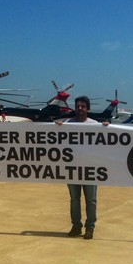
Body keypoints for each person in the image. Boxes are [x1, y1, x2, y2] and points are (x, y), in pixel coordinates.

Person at [55, 96, 107, 240]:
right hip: (72, 169)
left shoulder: (95, 124)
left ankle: (90, 227)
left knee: (91, 200)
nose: (80, 109)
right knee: (74, 199)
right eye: (78, 106)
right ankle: (76, 226)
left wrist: (108, 128)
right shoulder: (67, 123)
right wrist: (57, 125)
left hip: (90, 169)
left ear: (88, 109)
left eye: (83, 106)